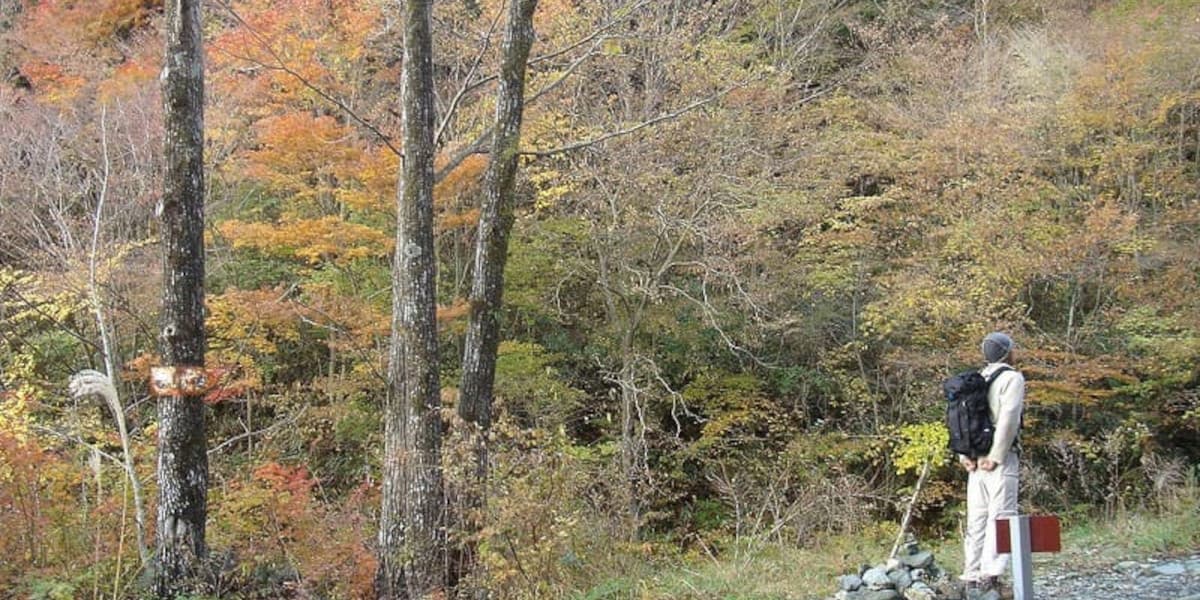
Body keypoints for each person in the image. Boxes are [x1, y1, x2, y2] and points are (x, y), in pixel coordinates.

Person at [959, 331, 1025, 597]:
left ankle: (970, 575)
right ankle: (991, 576)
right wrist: (997, 455)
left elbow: (961, 419)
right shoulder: (1012, 378)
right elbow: (1009, 417)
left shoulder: (975, 379)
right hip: (998, 460)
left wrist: (965, 456)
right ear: (1008, 352)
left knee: (977, 518)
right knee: (1002, 516)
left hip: (973, 459)